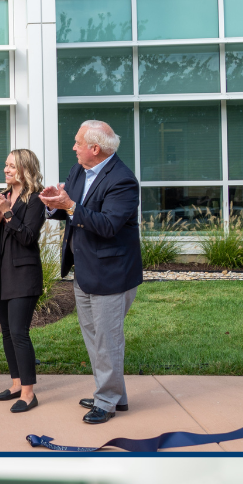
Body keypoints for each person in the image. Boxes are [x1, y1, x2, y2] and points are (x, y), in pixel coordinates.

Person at [39, 121, 142, 426]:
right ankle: (112, 394)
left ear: (94, 149)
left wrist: (70, 205)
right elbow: (69, 210)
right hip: (83, 269)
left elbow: (108, 225)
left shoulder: (123, 181)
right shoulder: (78, 170)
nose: (74, 147)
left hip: (111, 272)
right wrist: (53, 203)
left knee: (107, 340)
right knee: (94, 337)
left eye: (77, 142)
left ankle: (106, 401)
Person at [0, 149, 47, 413]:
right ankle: (16, 383)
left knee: (20, 332)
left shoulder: (36, 199)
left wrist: (8, 212)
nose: (6, 170)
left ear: (24, 169)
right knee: (7, 332)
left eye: (11, 166)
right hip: (0, 274)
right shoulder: (3, 196)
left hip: (23, 275)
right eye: (6, 165)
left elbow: (28, 237)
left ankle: (29, 393)